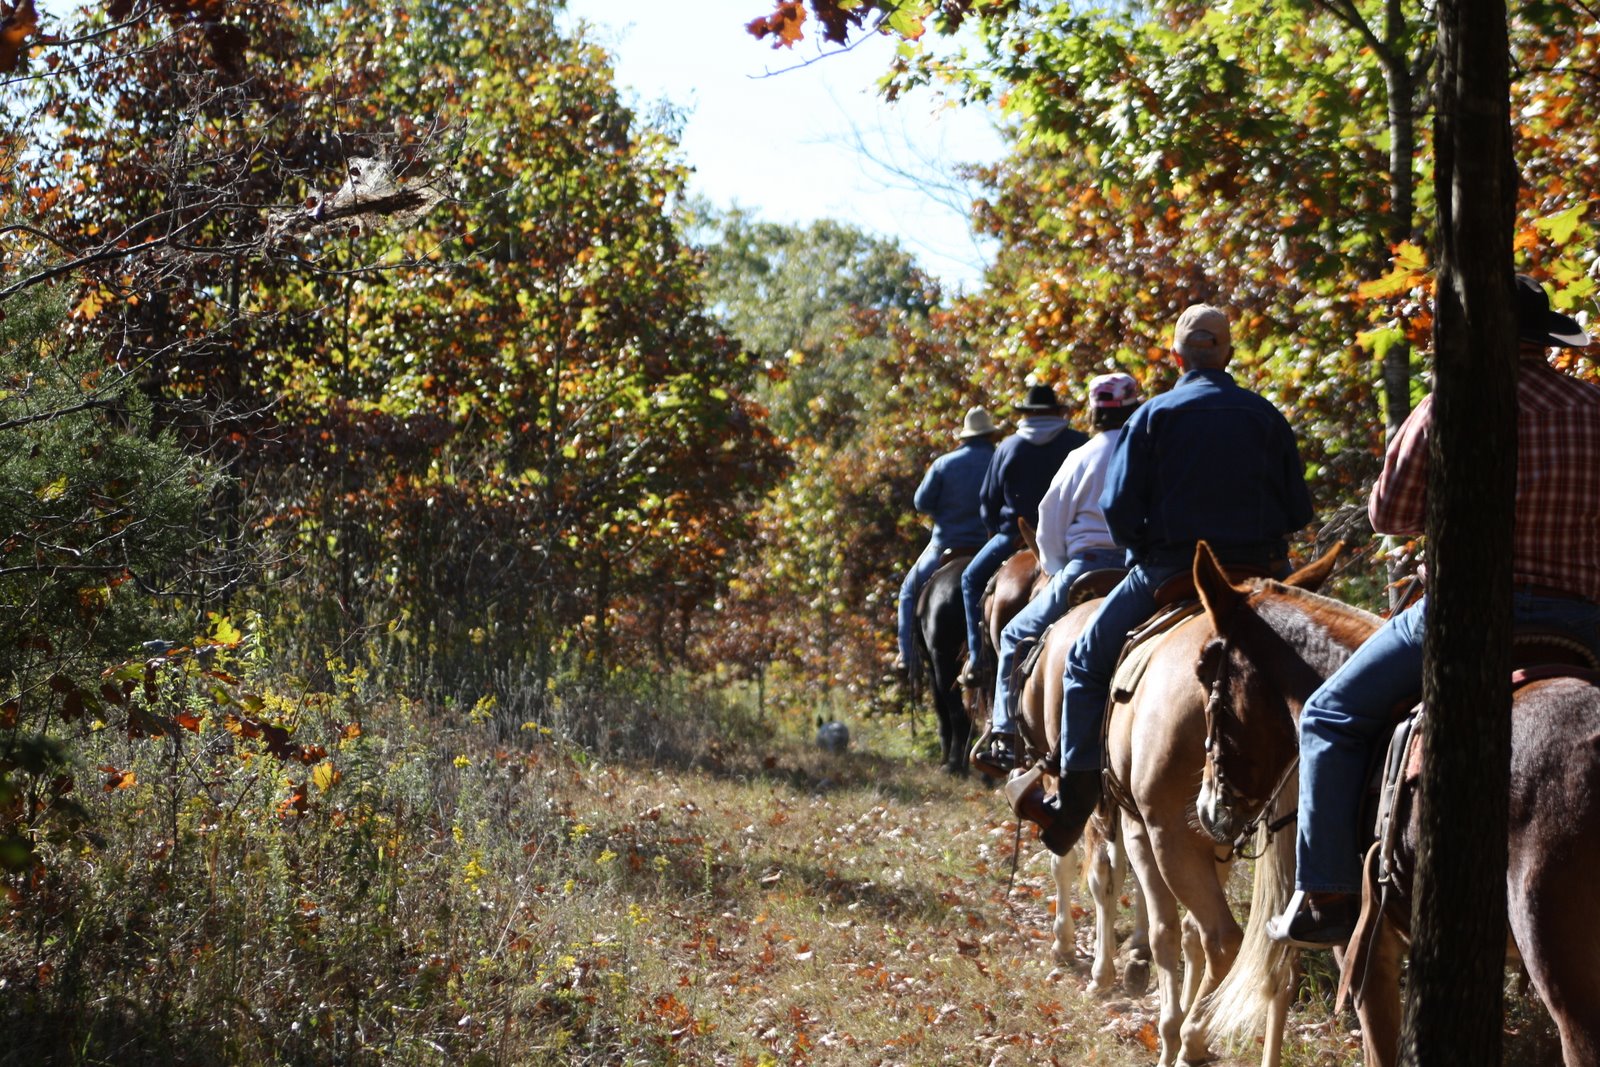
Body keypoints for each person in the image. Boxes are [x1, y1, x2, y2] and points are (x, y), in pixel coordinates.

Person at [1268, 274, 1600, 947]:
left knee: (1331, 713)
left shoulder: (1452, 404)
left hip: (1466, 619)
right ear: (1545, 342)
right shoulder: (1594, 408)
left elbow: (1389, 513)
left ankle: (1325, 889)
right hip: (1583, 619)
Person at [1007, 304, 1315, 854]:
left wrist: (1147, 547)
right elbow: (1297, 510)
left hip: (1170, 570)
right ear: (1229, 354)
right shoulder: (1266, 415)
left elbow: (1119, 507)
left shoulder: (1152, 417)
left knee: (1084, 662)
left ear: (1176, 357)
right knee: (1325, 668)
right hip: (1265, 572)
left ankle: (1073, 802)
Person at [971, 372, 1141, 776]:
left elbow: (1049, 521)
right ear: (1134, 406)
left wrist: (1055, 565)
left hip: (1086, 566)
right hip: (1139, 568)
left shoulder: (1082, 455)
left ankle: (1005, 733)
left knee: (1013, 634)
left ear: (1094, 411)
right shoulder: (1149, 450)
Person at [958, 384, 1089, 688]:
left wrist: (997, 529)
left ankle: (977, 658)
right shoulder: (1078, 442)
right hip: (1069, 539)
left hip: (1014, 536)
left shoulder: (1008, 447)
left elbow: (988, 501)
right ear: (1057, 411)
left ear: (1026, 414)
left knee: (970, 580)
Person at [894, 407, 1001, 675]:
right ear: (989, 435)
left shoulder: (944, 464)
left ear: (965, 437)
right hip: (992, 546)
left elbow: (921, 502)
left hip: (946, 547)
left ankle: (908, 656)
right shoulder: (1000, 459)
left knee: (909, 591)